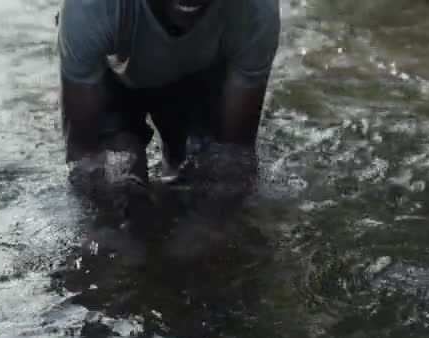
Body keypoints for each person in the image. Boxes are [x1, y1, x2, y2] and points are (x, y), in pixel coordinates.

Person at [56, 0, 280, 203]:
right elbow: (82, 153)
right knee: (110, 184)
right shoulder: (89, 7)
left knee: (220, 178)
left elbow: (236, 149)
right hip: (115, 80)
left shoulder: (255, 9)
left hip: (200, 75)